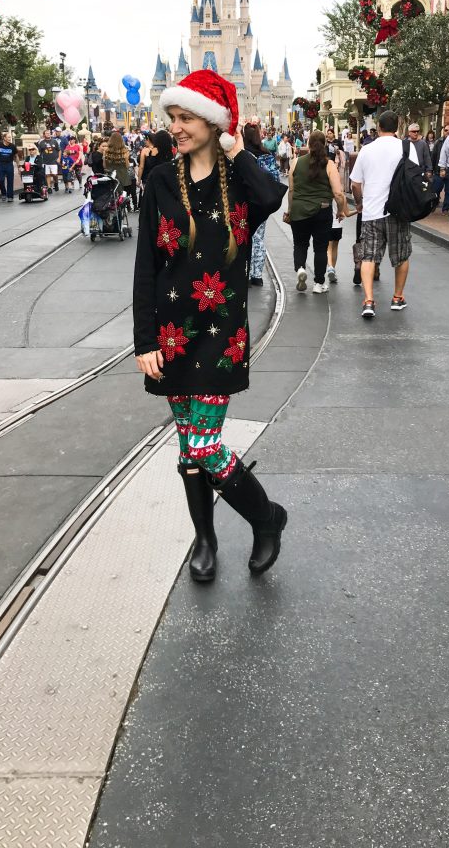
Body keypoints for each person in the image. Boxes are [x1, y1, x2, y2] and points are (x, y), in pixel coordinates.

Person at [133, 69, 287, 582]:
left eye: (185, 118)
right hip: (173, 334)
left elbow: (271, 198)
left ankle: (266, 520)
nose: (174, 127)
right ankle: (205, 537)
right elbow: (146, 266)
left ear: (213, 121)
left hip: (222, 332)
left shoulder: (241, 178)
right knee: (188, 447)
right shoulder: (159, 180)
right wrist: (145, 339)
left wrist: (237, 149)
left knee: (203, 445)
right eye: (171, 118)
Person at [350, 110, 418, 318]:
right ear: (397, 127)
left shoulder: (367, 150)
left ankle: (369, 300)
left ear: (378, 127)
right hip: (398, 210)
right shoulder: (407, 147)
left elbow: (355, 183)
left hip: (372, 211)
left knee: (369, 256)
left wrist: (360, 203)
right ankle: (397, 297)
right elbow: (414, 176)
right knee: (402, 255)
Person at [284, 130, 347, 294]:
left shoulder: (296, 163)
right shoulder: (330, 165)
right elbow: (338, 194)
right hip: (322, 210)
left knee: (300, 244)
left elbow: (291, 191)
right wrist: (340, 211)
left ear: (308, 144)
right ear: (325, 144)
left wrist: (290, 211)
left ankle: (300, 269)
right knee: (320, 248)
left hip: (298, 210)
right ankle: (319, 283)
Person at [245, 122, 279, 287]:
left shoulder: (241, 155)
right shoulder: (266, 155)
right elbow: (275, 179)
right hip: (261, 203)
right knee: (258, 237)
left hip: (244, 202)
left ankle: (244, 271)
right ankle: (256, 274)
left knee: (243, 236)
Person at [104, 130, 134, 204]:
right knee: (122, 196)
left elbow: (104, 166)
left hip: (111, 176)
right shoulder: (125, 151)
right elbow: (127, 166)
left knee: (113, 195)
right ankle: (124, 206)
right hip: (123, 177)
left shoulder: (107, 151)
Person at [431, 122, 449, 212]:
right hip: (438, 171)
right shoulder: (438, 142)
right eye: (446, 130)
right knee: (436, 189)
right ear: (443, 131)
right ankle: (434, 204)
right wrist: (431, 169)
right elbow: (434, 156)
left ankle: (445, 209)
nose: (448, 132)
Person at [0, 130, 19, 202]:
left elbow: (16, 156)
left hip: (9, 164)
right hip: (1, 164)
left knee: (10, 181)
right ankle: (3, 194)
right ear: (4, 138)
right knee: (1, 180)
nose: (9, 139)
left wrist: (18, 165)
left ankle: (10, 196)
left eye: (10, 137)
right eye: (8, 137)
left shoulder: (13, 146)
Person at [37, 128, 61, 193]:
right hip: (45, 161)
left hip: (54, 161)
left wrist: (59, 158)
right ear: (44, 135)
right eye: (46, 133)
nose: (48, 134)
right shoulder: (41, 143)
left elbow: (59, 150)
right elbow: (38, 152)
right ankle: (49, 187)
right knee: (47, 175)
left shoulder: (54, 141)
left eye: (49, 133)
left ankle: (56, 183)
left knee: (54, 174)